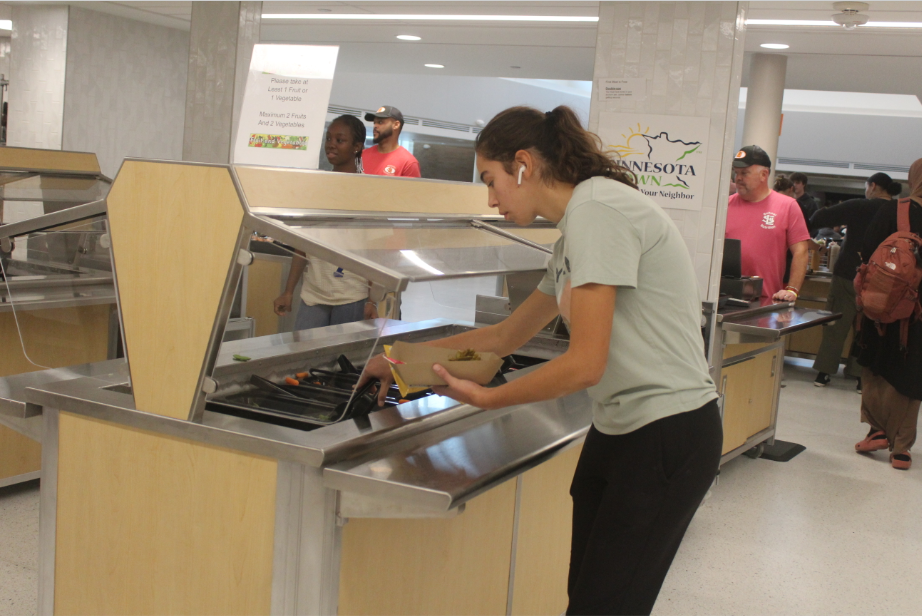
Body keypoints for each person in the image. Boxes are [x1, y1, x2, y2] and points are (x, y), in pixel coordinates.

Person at [358, 105, 721, 615]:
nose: (490, 198)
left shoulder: (599, 211)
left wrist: (490, 398)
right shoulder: (577, 226)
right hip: (619, 429)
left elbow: (585, 364)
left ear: (523, 164)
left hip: (666, 432)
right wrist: (400, 359)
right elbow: (506, 336)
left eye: (492, 180)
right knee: (589, 599)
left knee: (606, 606)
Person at [273, 115, 378, 329]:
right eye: (329, 138)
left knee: (341, 360)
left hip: (352, 295)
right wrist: (288, 291)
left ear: (357, 146)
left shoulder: (368, 191)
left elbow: (375, 251)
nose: (331, 144)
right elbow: (303, 244)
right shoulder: (315, 189)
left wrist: (372, 299)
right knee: (306, 357)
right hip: (313, 294)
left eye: (340, 140)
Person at [853, 159, 922, 471]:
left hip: (880, 304)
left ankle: (876, 430)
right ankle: (902, 450)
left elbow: (867, 251)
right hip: (918, 313)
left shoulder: (896, 209)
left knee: (874, 363)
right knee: (910, 373)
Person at [810, 172, 902, 390]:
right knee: (867, 328)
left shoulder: (858, 206)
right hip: (881, 280)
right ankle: (860, 377)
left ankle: (823, 373)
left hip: (848, 274)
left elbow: (818, 219)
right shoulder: (899, 212)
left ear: (873, 186)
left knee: (836, 323)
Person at [725, 145, 811, 305]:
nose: (738, 178)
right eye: (736, 173)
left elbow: (801, 251)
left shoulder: (788, 206)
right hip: (725, 299)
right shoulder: (726, 205)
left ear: (764, 174)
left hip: (766, 301)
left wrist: (792, 289)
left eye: (744, 173)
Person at [361, 106, 421, 177]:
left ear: (396, 125)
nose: (375, 126)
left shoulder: (408, 163)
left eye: (380, 122)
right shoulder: (362, 155)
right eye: (374, 123)